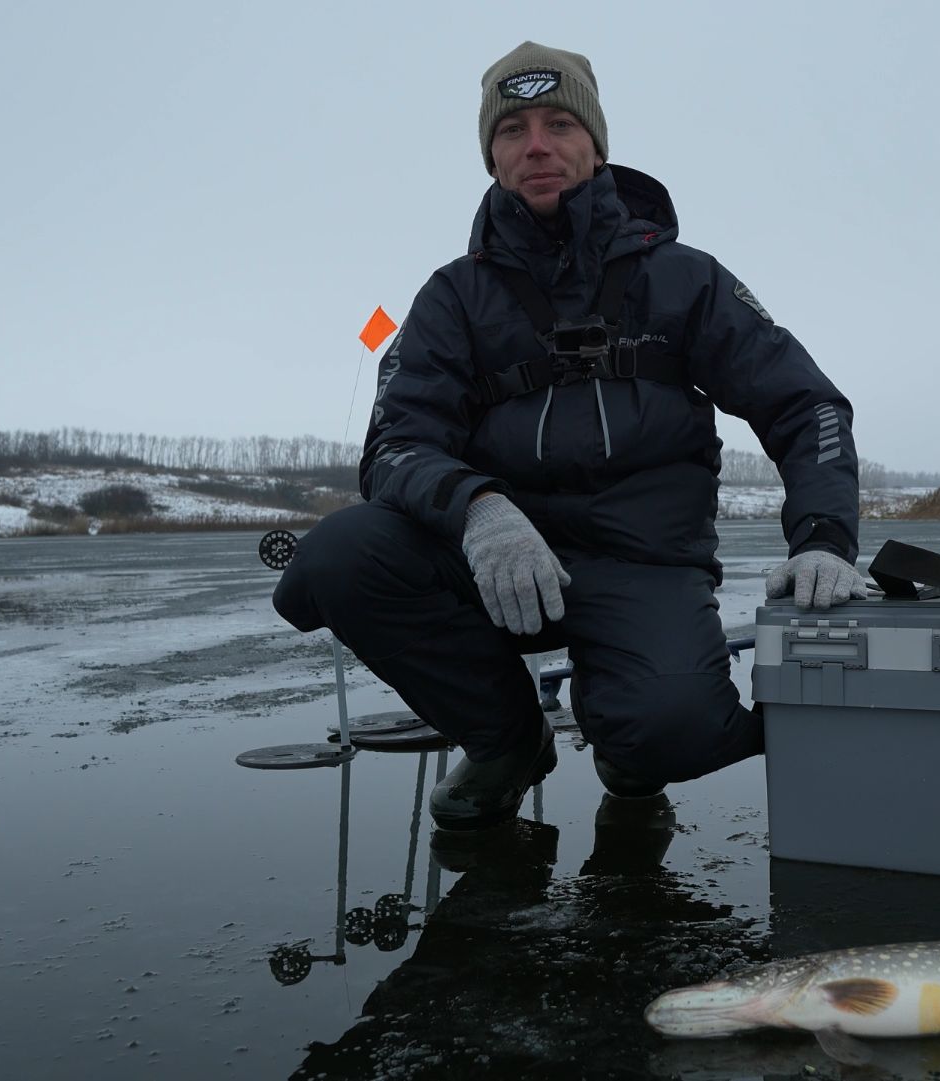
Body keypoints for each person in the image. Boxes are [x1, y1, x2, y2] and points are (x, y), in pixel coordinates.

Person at [274, 41, 864, 830]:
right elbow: (393, 447)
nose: (538, 146)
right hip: (498, 562)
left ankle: (631, 742)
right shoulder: (451, 297)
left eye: (559, 123)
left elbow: (807, 406)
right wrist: (478, 508)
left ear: (596, 144)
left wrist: (823, 536)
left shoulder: (686, 279)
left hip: (641, 560)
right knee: (342, 555)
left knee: (673, 730)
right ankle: (504, 740)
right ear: (491, 155)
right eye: (513, 129)